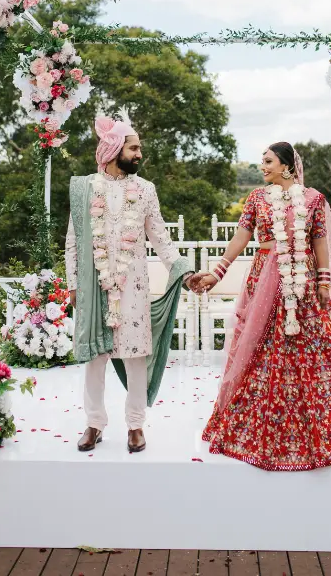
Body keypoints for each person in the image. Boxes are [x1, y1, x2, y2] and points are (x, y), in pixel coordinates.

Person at [194, 141, 331, 471]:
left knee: (312, 352)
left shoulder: (313, 200)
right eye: (262, 161)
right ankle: (260, 427)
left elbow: (320, 242)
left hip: (303, 284)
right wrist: (217, 272)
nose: (263, 167)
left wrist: (324, 282)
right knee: (260, 350)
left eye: (268, 161)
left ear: (286, 165)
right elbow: (241, 237)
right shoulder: (257, 198)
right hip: (264, 283)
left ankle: (319, 426)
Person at [65, 114, 200, 453]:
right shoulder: (84, 189)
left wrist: (185, 271)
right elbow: (72, 242)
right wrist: (73, 285)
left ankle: (135, 425)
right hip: (94, 285)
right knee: (95, 358)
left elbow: (161, 238)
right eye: (134, 148)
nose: (140, 154)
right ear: (114, 149)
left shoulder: (145, 190)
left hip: (133, 287)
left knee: (136, 355)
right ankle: (94, 423)